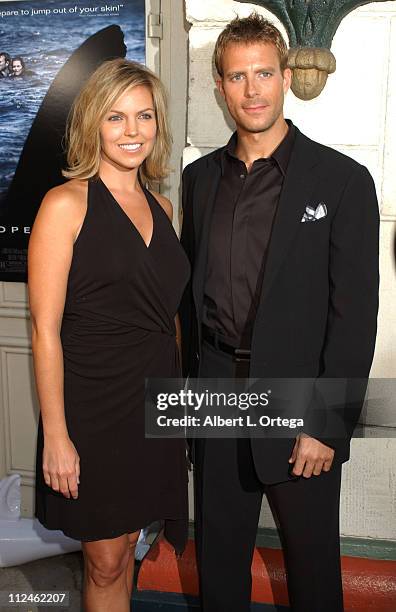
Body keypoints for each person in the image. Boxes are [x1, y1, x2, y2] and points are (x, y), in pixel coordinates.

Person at [180, 13, 379, 612]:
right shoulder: (198, 181)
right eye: (237, 77)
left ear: (286, 77)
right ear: (220, 86)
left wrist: (325, 421)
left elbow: (355, 317)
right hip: (215, 391)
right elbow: (189, 304)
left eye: (263, 73)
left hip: (300, 405)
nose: (252, 90)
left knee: (313, 573)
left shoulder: (343, 182)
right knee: (218, 564)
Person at [28, 58, 189, 612]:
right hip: (92, 406)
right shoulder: (65, 204)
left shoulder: (164, 208)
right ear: (93, 123)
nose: (133, 131)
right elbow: (45, 330)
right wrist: (56, 435)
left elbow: (167, 316)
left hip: (153, 404)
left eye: (144, 116)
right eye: (116, 117)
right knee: (102, 560)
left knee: (127, 550)